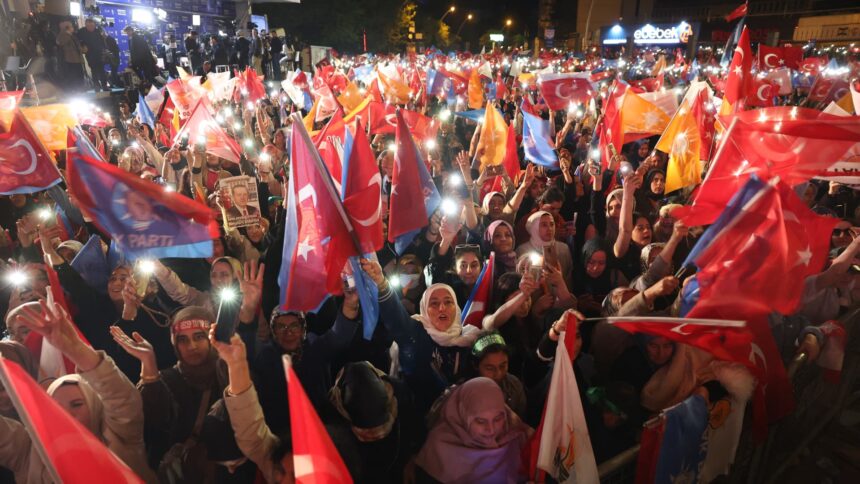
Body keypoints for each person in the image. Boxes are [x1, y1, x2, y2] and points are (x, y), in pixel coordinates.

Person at [1, 300, 157, 482]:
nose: (66, 414)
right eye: (56, 409)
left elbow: (121, 398)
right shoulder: (30, 452)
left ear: (95, 407)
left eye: (76, 404)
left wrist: (74, 348)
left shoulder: (121, 438)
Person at [413, 377, 531, 483]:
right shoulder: (438, 450)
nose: (491, 429)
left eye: (497, 419)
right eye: (480, 421)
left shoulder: (516, 435)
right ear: (463, 415)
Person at [55, 20, 85, 92]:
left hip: (77, 59)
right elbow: (60, 42)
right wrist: (65, 32)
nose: (73, 28)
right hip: (70, 60)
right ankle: (75, 91)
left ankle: (80, 90)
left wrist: (82, 49)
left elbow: (76, 46)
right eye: (71, 26)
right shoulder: (63, 36)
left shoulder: (72, 36)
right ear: (67, 28)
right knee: (73, 77)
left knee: (80, 76)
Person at [77, 18, 107, 91]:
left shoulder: (98, 31)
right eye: (89, 26)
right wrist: (83, 46)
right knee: (94, 71)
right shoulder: (81, 31)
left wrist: (104, 50)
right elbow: (78, 41)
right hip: (90, 54)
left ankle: (104, 86)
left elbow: (103, 41)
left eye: (92, 26)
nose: (91, 27)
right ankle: (97, 86)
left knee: (102, 70)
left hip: (100, 53)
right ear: (86, 25)